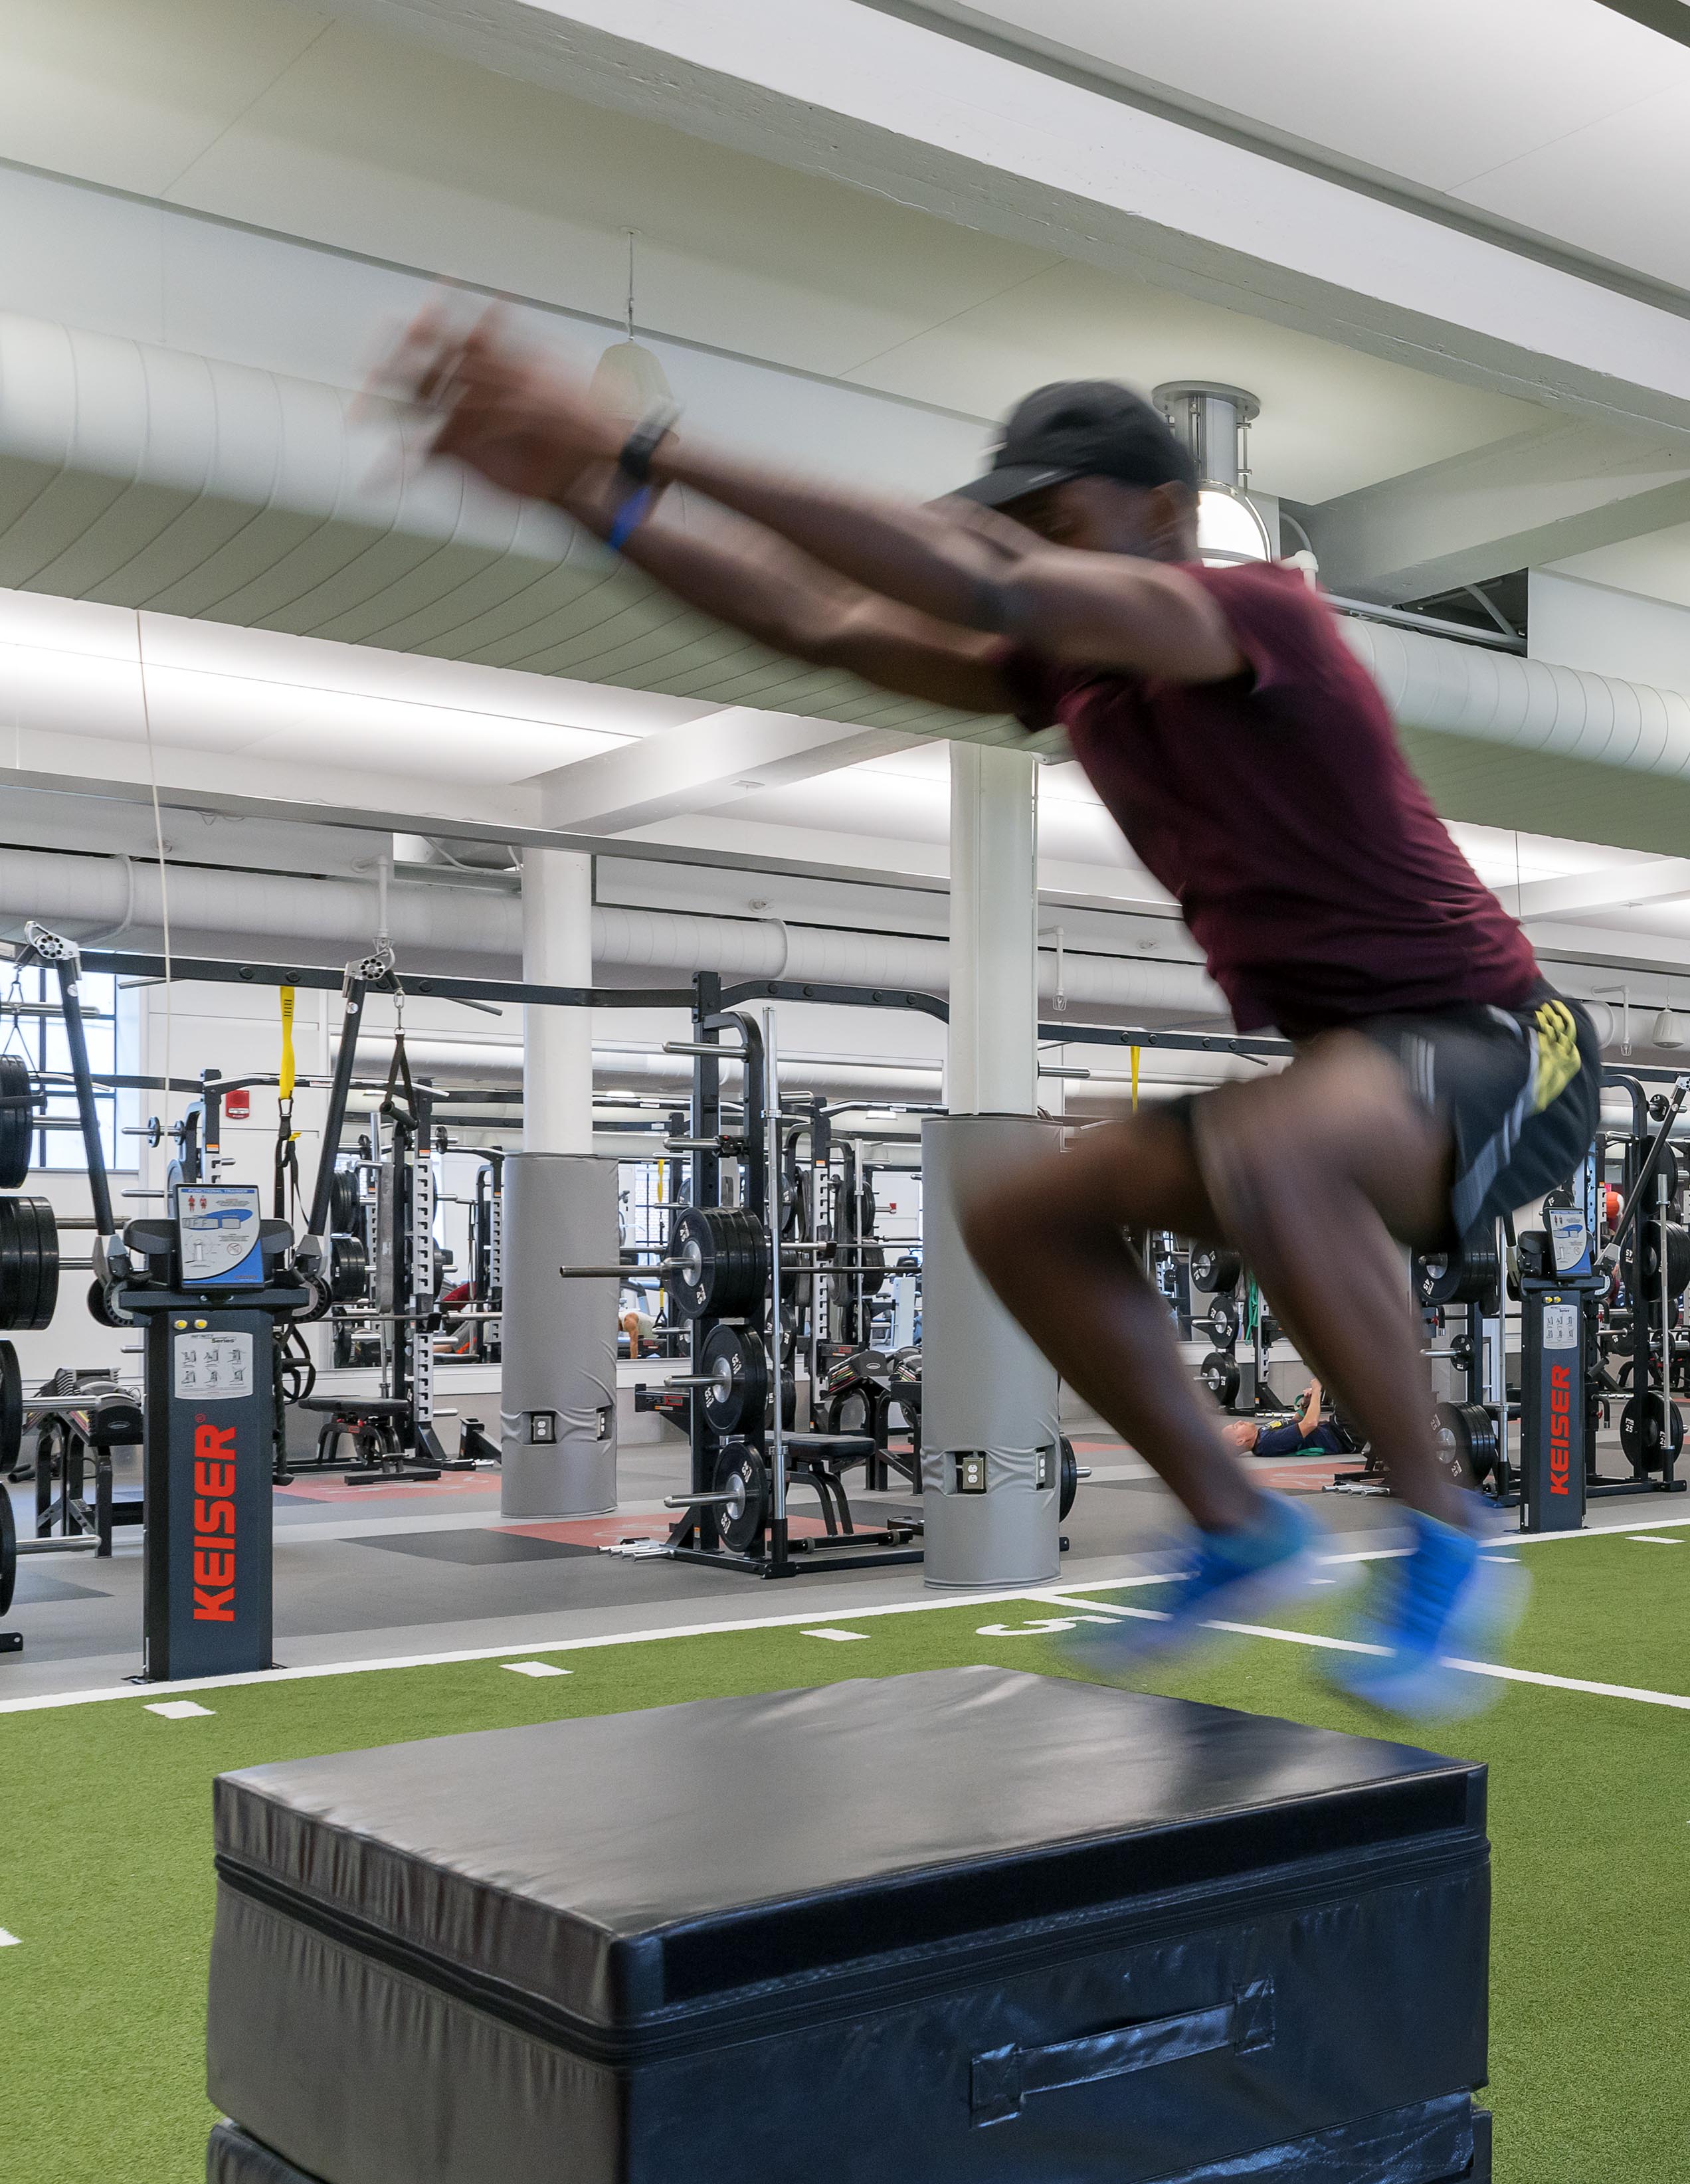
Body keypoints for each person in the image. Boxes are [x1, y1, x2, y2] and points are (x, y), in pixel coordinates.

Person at [376, 312, 1594, 1715]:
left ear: (1166, 515)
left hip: (1515, 1047)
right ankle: (1239, 1523)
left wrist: (643, 439)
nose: (1033, 552)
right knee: (1020, 1209)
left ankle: (1449, 1534)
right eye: (1016, 527)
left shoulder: (1257, 615)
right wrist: (602, 503)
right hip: (1358, 1072)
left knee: (1277, 1148)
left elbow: (993, 585)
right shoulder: (1077, 678)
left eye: (1058, 525)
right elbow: (817, 621)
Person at [1230, 1377, 1361, 1462]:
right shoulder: (1268, 1443)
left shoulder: (1262, 1434)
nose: (1239, 1422)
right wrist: (1317, 1390)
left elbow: (1294, 1423)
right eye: (1236, 1427)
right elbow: (1310, 1424)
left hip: (1337, 1428)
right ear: (1240, 1441)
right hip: (1343, 1437)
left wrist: (1305, 1404)